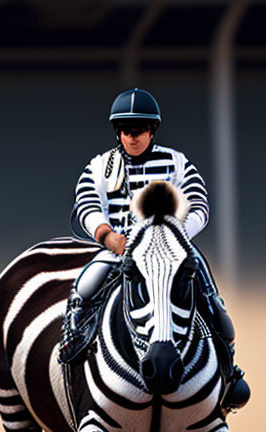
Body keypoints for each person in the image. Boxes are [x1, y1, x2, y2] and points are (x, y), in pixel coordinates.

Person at [63, 87, 248, 410]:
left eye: (139, 130)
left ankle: (228, 369)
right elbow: (87, 203)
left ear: (152, 130)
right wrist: (107, 236)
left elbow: (199, 204)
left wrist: (176, 235)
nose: (131, 136)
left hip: (170, 252)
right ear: (117, 132)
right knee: (85, 286)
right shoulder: (100, 166)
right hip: (121, 251)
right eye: (125, 130)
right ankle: (72, 350)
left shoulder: (176, 162)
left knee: (206, 289)